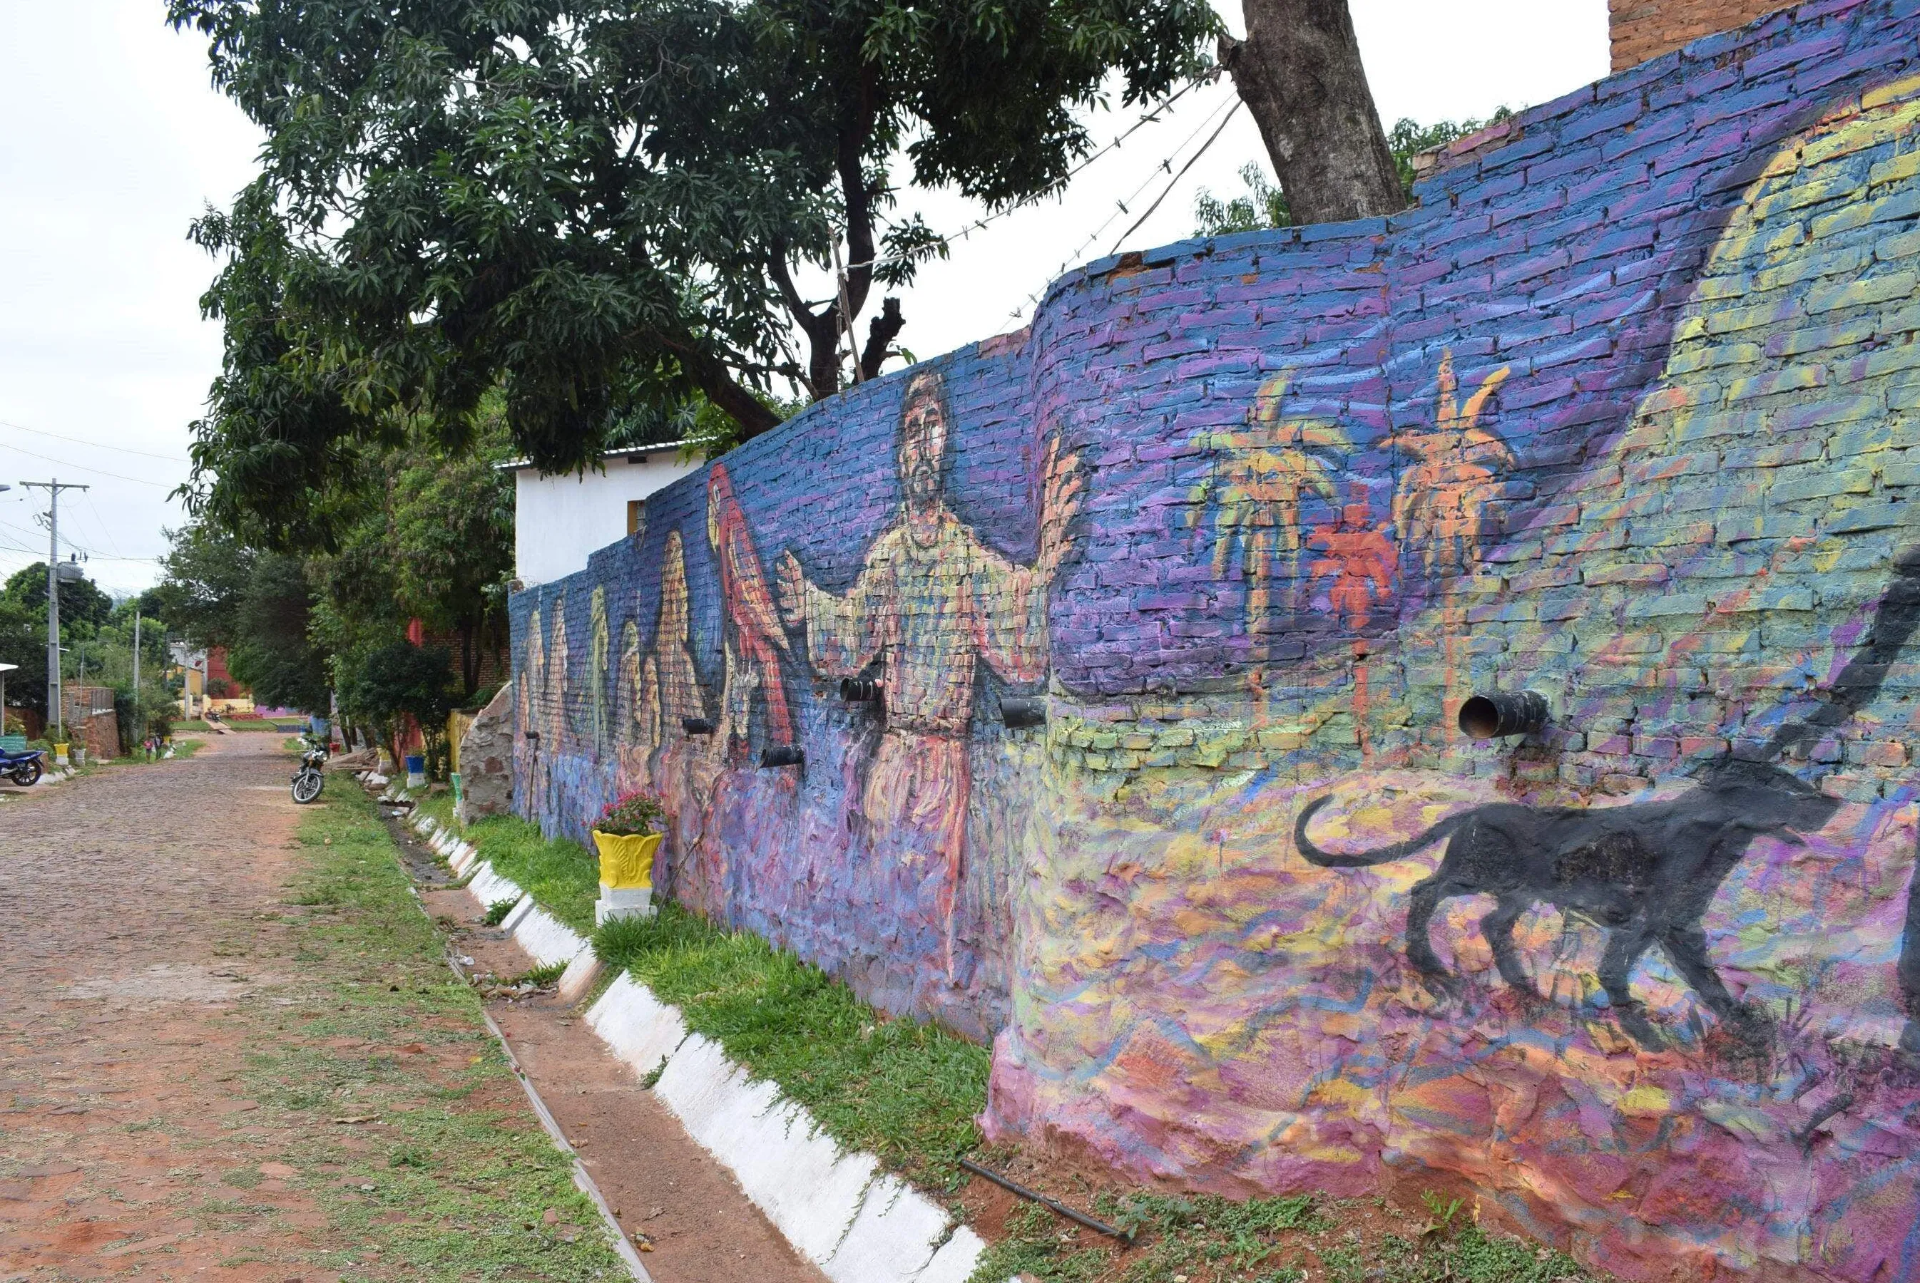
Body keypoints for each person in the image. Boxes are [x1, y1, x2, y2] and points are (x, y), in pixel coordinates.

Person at [775, 366, 1081, 975]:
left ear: (946, 446)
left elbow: (1019, 634)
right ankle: (881, 991)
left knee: (935, 899)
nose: (922, 441)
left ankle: (926, 999)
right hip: (895, 754)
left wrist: (1047, 564)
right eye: (912, 429)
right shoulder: (888, 556)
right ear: (898, 454)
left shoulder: (966, 557)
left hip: (946, 762)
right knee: (887, 883)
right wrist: (809, 601)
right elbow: (850, 631)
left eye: (934, 426)